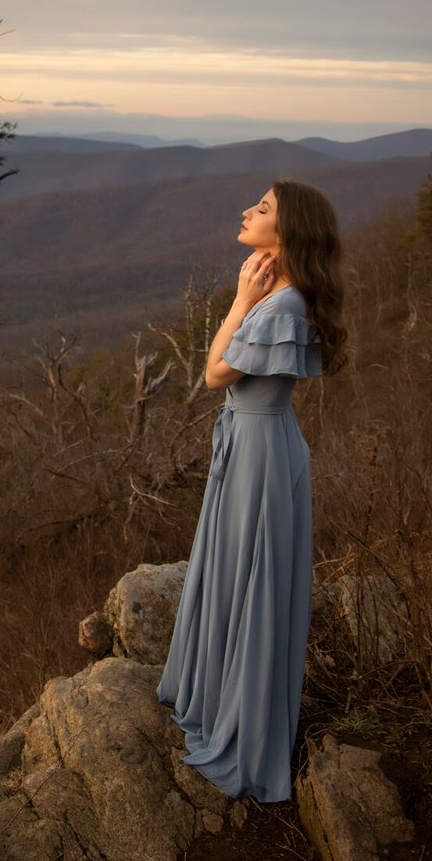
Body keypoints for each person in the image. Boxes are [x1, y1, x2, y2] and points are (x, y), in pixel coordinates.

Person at [155, 179, 345, 803]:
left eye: (261, 209)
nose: (246, 211)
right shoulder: (283, 296)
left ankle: (246, 731)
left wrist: (239, 300)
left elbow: (213, 374)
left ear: (287, 233)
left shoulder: (283, 305)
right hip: (252, 443)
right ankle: (219, 697)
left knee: (253, 577)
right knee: (237, 572)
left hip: (261, 451)